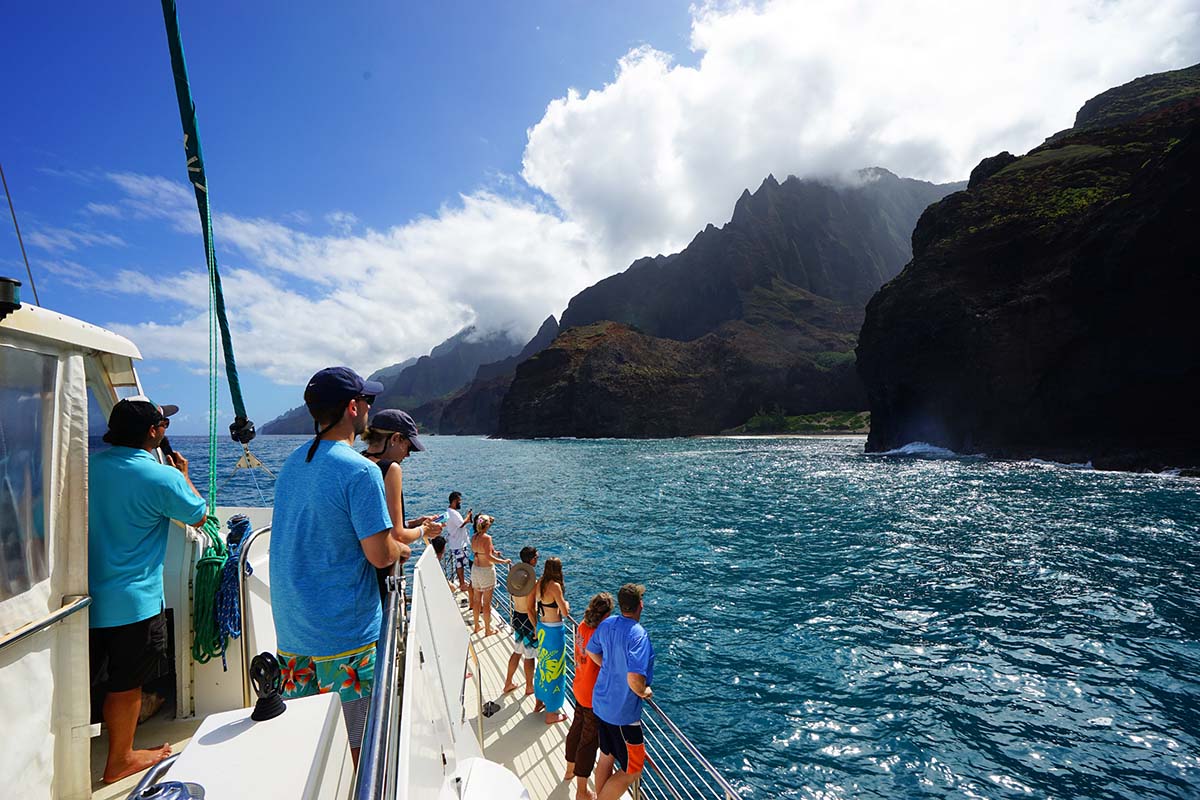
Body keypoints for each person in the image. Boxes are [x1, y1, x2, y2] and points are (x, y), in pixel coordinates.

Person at [270, 367, 409, 766]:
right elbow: (379, 554)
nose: (369, 408)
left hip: (294, 633)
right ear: (353, 407)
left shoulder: (293, 464)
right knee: (359, 745)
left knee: (312, 738)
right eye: (367, 400)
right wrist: (399, 550)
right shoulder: (360, 471)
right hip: (345, 638)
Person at [88, 396, 207, 783]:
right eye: (164, 425)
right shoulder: (161, 476)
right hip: (133, 603)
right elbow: (198, 514)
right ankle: (120, 758)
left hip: (81, 600)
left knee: (89, 677)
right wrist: (183, 474)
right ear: (154, 432)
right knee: (125, 683)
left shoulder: (86, 468)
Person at [360, 408, 444, 600]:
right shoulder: (391, 469)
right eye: (409, 447)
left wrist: (413, 523)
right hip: (382, 576)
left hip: (361, 574)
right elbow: (397, 535)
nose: (408, 455)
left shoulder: (360, 463)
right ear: (395, 438)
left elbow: (375, 524)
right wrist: (424, 530)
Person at [587, 583, 655, 800]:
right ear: (640, 605)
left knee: (606, 756)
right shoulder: (638, 634)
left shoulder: (608, 624)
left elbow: (591, 650)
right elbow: (634, 678)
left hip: (602, 704)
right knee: (633, 769)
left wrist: (609, 666)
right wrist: (643, 691)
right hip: (623, 714)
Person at [563, 592, 615, 800]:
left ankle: (569, 769)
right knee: (588, 742)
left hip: (579, 686)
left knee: (576, 730)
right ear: (605, 615)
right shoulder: (600, 634)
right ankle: (581, 791)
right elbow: (607, 663)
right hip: (593, 694)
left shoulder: (582, 627)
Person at [534, 557, 570, 724]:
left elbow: (531, 605)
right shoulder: (555, 586)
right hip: (554, 631)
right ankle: (551, 713)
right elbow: (565, 611)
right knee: (555, 670)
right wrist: (567, 604)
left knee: (542, 665)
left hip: (542, 627)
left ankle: (539, 701)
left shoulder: (540, 582)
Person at [502, 546, 539, 697]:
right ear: (531, 559)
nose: (537, 559)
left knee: (517, 652)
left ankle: (508, 683)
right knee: (529, 656)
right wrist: (536, 627)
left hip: (516, 615)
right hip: (527, 620)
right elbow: (530, 608)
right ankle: (529, 687)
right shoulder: (530, 581)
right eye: (536, 557)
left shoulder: (518, 576)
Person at [468, 513, 509, 636]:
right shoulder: (487, 538)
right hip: (486, 570)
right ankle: (487, 630)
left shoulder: (474, 537)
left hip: (476, 569)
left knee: (476, 600)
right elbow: (488, 556)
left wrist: (493, 551)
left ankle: (476, 626)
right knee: (486, 603)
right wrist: (503, 561)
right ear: (486, 525)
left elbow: (482, 551)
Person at [444, 491, 474, 592]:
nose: (460, 503)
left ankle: (462, 583)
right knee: (460, 563)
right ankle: (462, 584)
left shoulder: (449, 512)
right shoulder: (452, 513)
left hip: (457, 542)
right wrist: (468, 517)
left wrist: (467, 520)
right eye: (458, 502)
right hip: (458, 543)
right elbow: (461, 524)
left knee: (460, 563)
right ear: (454, 501)